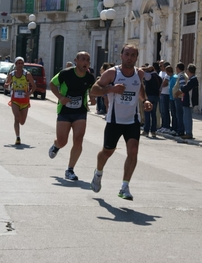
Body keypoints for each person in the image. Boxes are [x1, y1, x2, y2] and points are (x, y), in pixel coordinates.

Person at [90, 44, 153, 201]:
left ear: (136, 58)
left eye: (133, 55)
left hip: (132, 120)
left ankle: (124, 187)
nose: (129, 57)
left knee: (133, 151)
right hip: (114, 120)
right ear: (121, 56)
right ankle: (98, 173)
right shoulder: (112, 73)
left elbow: (139, 88)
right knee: (107, 152)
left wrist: (145, 100)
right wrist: (111, 90)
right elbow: (94, 90)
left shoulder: (139, 73)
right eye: (127, 54)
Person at [48, 51, 96, 181]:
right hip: (64, 110)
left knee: (78, 139)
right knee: (62, 141)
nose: (85, 62)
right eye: (83, 59)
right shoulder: (66, 73)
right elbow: (52, 84)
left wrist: (92, 98)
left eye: (88, 60)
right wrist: (60, 97)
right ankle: (56, 146)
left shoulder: (90, 77)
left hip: (80, 111)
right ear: (76, 60)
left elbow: (91, 89)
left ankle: (70, 169)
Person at [4, 57, 36, 145]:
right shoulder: (12, 74)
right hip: (15, 100)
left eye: (21, 63)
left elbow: (34, 86)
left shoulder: (27, 74)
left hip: (25, 101)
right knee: (16, 118)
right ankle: (18, 137)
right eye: (18, 63)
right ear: (15, 64)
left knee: (22, 122)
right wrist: (6, 85)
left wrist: (29, 93)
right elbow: (7, 83)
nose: (20, 65)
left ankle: (18, 133)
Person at [175, 63, 198, 139]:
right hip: (186, 100)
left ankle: (188, 133)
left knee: (187, 117)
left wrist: (179, 90)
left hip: (189, 101)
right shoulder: (191, 79)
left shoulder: (193, 79)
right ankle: (187, 132)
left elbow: (186, 88)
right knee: (185, 116)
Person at [142, 65, 162, 137]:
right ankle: (153, 131)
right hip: (156, 96)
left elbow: (140, 71)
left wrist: (145, 68)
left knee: (147, 113)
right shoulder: (159, 77)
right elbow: (160, 89)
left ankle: (146, 130)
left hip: (149, 96)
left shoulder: (149, 76)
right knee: (154, 114)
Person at [171, 62, 188, 136]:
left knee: (179, 114)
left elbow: (182, 86)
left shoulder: (181, 76)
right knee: (179, 114)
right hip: (179, 97)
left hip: (179, 97)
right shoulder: (182, 75)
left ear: (178, 68)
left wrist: (177, 94)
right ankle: (180, 129)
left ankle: (180, 130)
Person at [158, 61, 171, 133]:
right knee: (162, 111)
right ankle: (163, 125)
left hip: (166, 93)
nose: (160, 67)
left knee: (165, 110)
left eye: (161, 66)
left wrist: (160, 86)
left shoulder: (167, 74)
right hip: (162, 93)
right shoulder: (160, 73)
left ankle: (167, 126)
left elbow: (165, 83)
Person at [165, 65, 178, 135]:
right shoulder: (170, 77)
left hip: (174, 97)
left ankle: (175, 128)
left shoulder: (174, 77)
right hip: (170, 97)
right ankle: (173, 127)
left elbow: (175, 87)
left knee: (174, 114)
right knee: (172, 113)